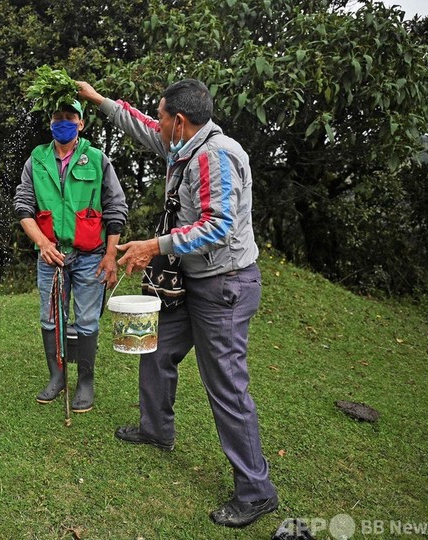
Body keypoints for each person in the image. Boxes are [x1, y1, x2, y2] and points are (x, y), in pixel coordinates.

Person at [78, 79, 278, 527]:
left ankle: (256, 491)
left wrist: (155, 246)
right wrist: (100, 101)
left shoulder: (214, 156)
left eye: (165, 116)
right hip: (193, 282)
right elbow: (145, 127)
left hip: (223, 286)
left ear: (181, 121)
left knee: (226, 385)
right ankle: (156, 429)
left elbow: (218, 226)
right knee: (157, 347)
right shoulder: (184, 145)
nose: (160, 123)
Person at [14, 100, 128, 413]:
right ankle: (57, 376)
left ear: (80, 123)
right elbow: (23, 205)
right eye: (57, 117)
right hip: (51, 255)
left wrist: (110, 255)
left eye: (69, 117)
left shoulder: (97, 159)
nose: (63, 122)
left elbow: (116, 207)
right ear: (50, 122)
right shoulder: (36, 159)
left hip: (91, 255)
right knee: (50, 318)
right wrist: (43, 243)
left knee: (88, 319)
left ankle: (86, 383)